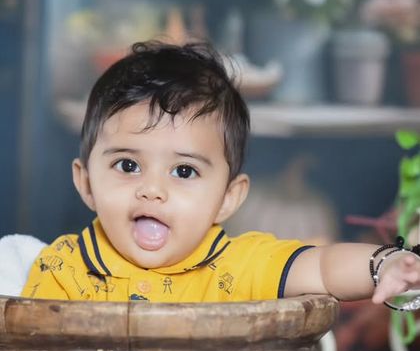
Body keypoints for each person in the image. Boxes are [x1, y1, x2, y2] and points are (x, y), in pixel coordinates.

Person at [21, 40, 420, 306]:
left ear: (228, 197)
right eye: (128, 165)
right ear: (86, 182)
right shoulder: (63, 269)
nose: (152, 190)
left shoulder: (236, 265)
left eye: (183, 170)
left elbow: (322, 266)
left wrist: (385, 264)